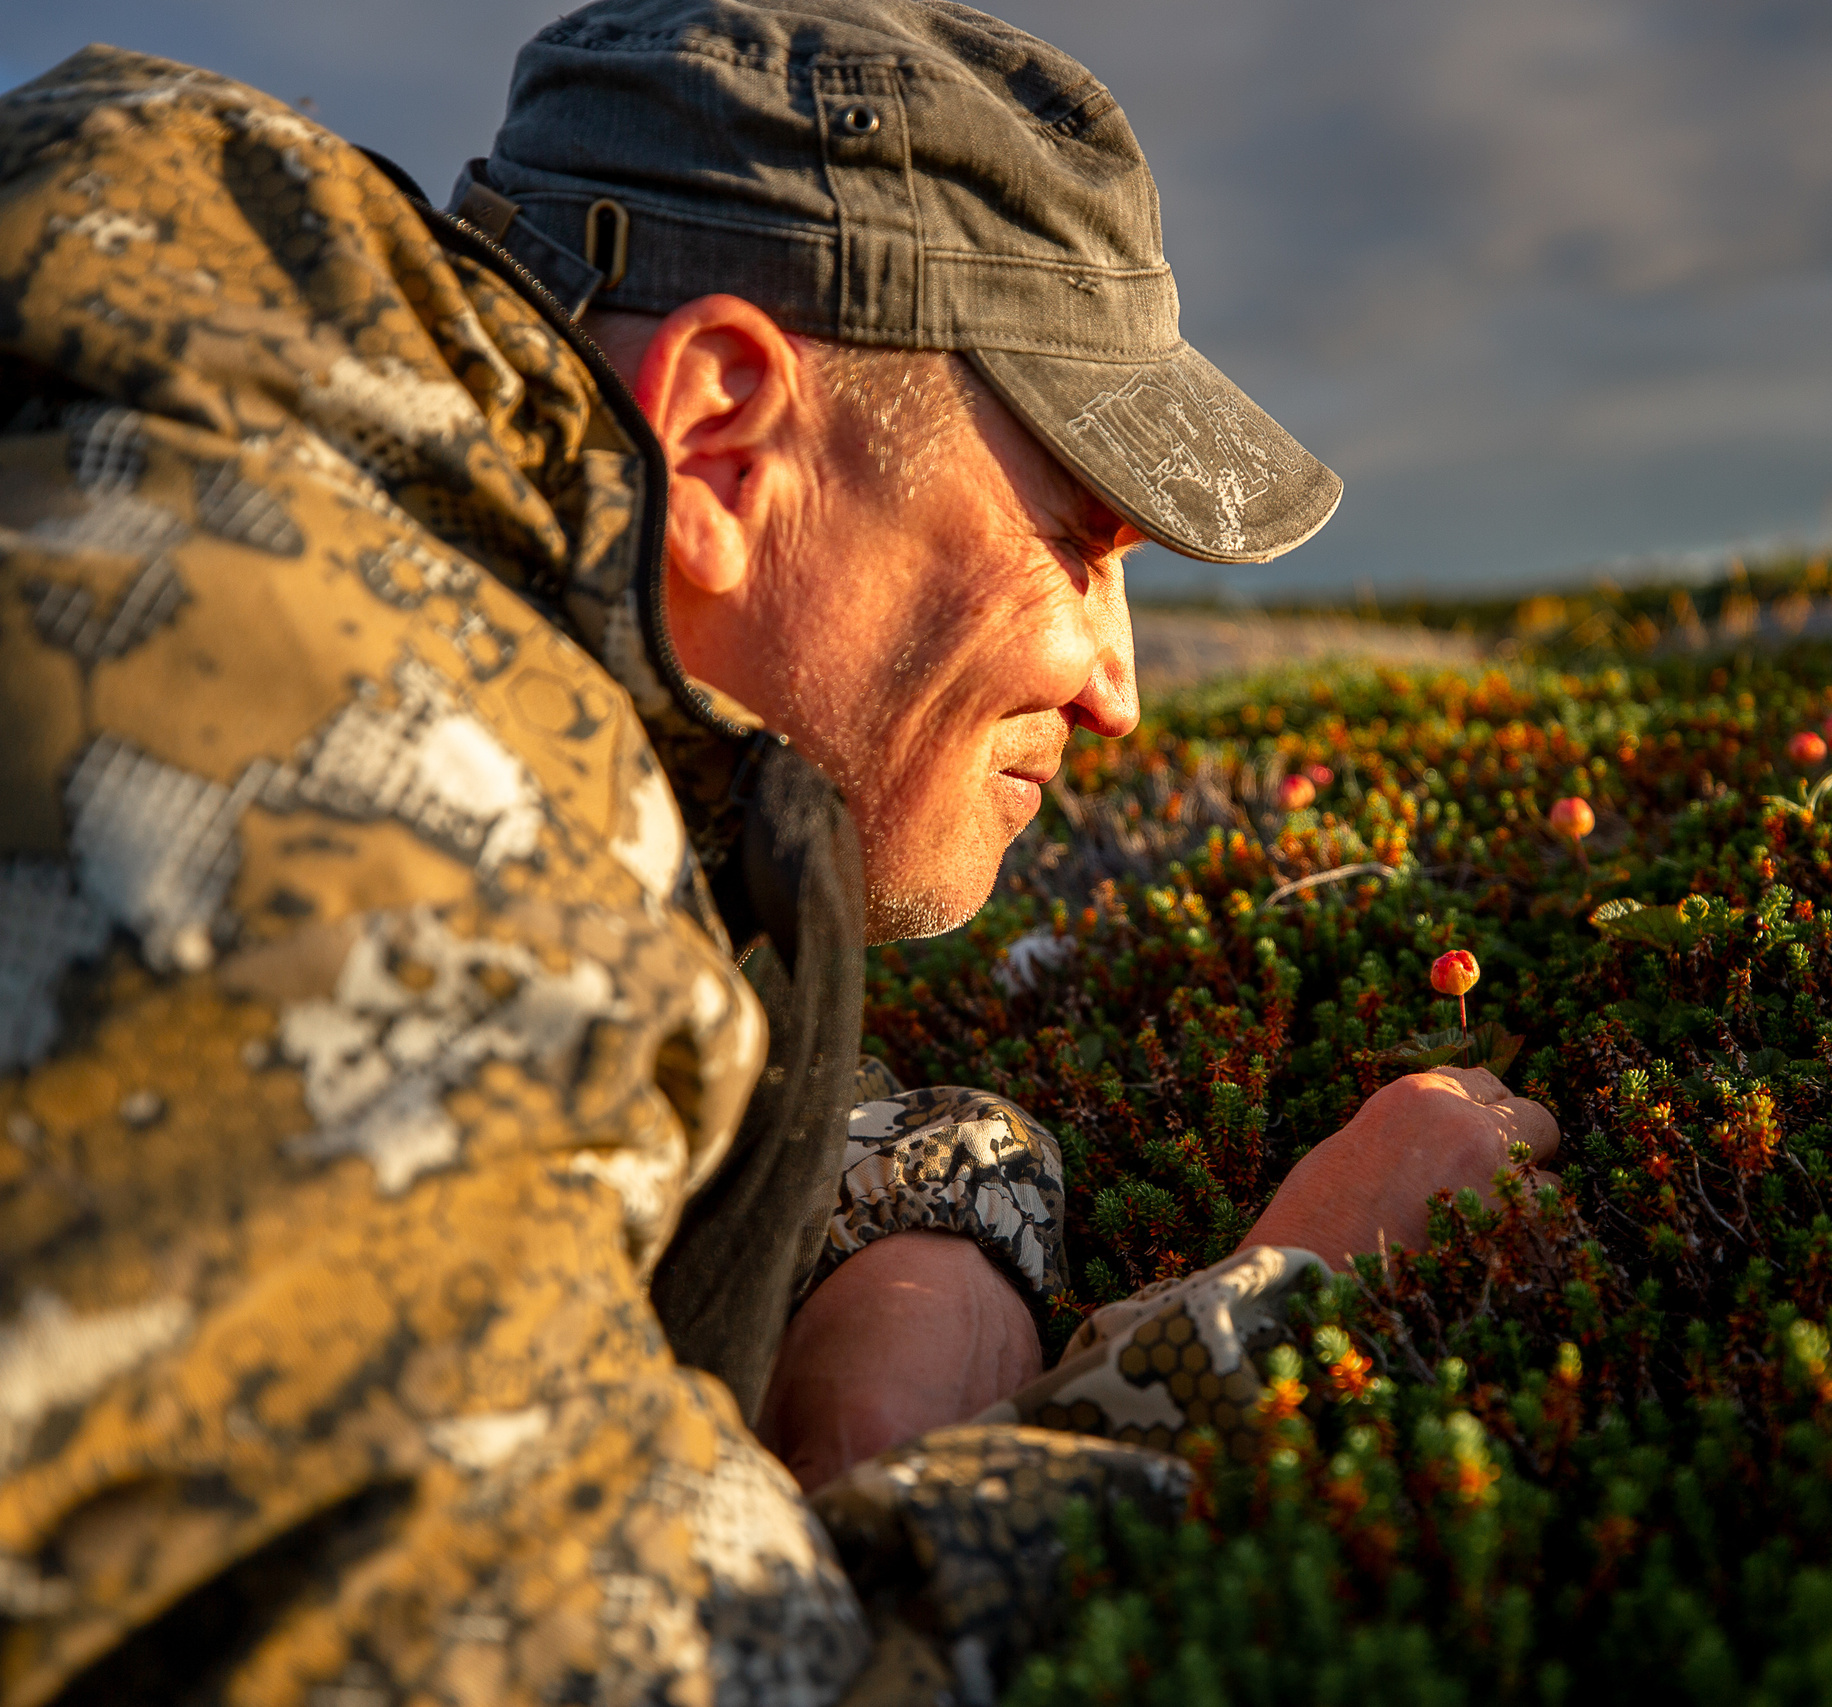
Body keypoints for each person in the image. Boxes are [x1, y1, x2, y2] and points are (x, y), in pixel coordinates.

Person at [0, 3, 1560, 1702]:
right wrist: (1295, 1305)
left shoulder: (296, 550)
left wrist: (932, 1215)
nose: (1120, 688)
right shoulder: (333, 823)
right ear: (728, 432)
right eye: (1071, 541)